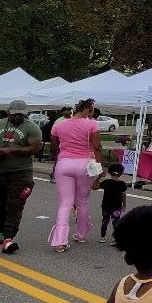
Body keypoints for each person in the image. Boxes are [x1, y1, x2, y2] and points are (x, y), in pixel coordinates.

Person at [0, 100, 42, 254]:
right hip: (0, 172)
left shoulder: (32, 127)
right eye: (14, 114)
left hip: (21, 173)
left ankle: (9, 239)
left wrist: (12, 150)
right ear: (8, 112)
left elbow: (34, 148)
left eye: (20, 114)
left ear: (25, 113)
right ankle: (0, 234)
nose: (17, 117)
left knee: (15, 205)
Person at [49, 98, 106, 252]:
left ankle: (60, 241)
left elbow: (54, 147)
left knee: (65, 203)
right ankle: (81, 234)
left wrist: (58, 161)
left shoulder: (59, 125)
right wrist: (100, 167)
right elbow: (97, 147)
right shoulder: (91, 124)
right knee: (82, 201)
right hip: (84, 165)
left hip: (64, 163)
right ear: (87, 110)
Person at [98, 163, 128, 244]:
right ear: (121, 173)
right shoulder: (122, 184)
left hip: (105, 206)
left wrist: (98, 177)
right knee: (116, 222)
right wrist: (124, 205)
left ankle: (102, 237)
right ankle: (115, 239)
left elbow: (95, 187)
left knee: (105, 221)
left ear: (109, 172)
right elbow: (123, 195)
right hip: (117, 207)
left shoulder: (106, 182)